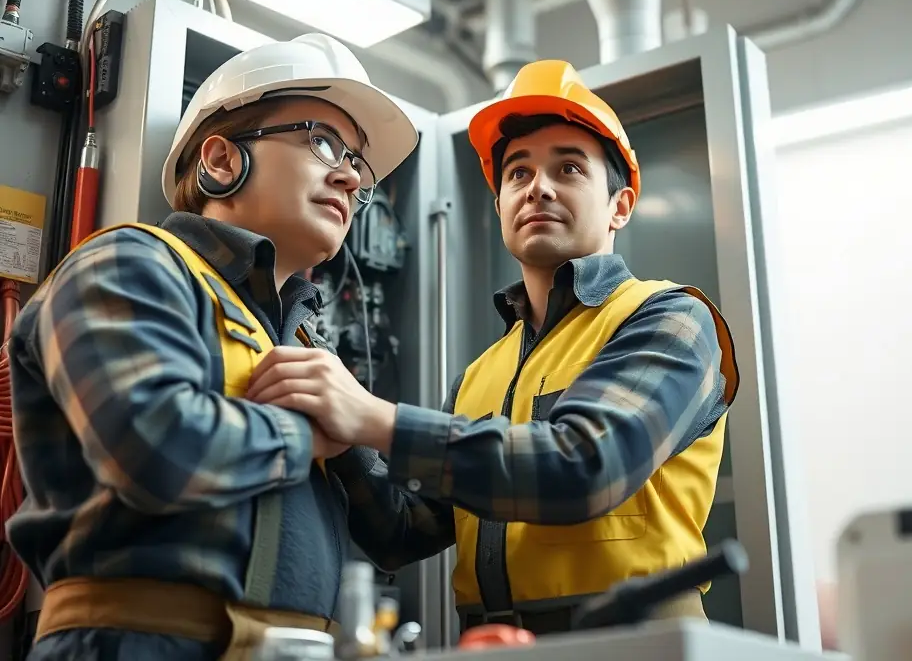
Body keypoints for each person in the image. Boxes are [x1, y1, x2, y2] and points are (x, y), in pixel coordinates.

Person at [251, 60, 741, 635]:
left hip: (635, 642)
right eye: (517, 173)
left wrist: (371, 416)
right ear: (501, 206)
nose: (539, 186)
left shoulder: (672, 319)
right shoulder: (483, 373)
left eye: (569, 168)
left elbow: (586, 466)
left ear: (620, 206)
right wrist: (338, 433)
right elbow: (402, 531)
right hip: (490, 644)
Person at [6, 33, 419, 660]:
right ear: (221, 161)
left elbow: (397, 527)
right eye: (322, 142)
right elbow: (151, 447)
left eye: (358, 168)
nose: (348, 176)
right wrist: (308, 435)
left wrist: (400, 426)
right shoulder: (128, 266)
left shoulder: (301, 338)